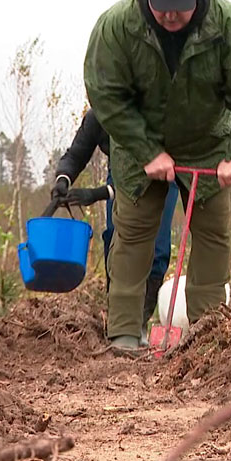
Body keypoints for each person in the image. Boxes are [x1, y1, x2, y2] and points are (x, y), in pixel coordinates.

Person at [84, 0, 231, 351]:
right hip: (140, 145)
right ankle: (123, 334)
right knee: (133, 234)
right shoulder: (117, 26)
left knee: (213, 234)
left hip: (208, 144)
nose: (171, 18)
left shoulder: (227, 24)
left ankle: (208, 339)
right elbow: (106, 95)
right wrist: (146, 150)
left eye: (180, 10)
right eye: (162, 9)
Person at [51, 109, 179, 332]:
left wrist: (97, 194)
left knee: (156, 249)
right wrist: (63, 179)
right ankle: (120, 319)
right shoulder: (98, 116)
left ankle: (139, 322)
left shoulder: (151, 110)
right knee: (115, 239)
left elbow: (138, 183)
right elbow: (75, 155)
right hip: (118, 172)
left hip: (162, 174)